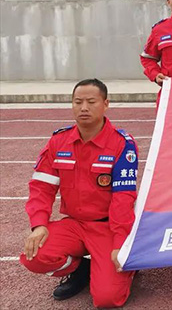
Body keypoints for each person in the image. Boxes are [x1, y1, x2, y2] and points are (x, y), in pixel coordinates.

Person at [20, 79, 138, 307]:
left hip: (107, 228)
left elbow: (123, 199)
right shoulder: (59, 141)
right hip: (74, 225)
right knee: (32, 256)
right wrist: (39, 224)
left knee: (107, 299)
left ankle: (130, 268)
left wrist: (120, 243)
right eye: (78, 102)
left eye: (91, 102)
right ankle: (82, 268)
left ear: (105, 104)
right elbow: (42, 188)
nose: (84, 108)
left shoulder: (122, 144)